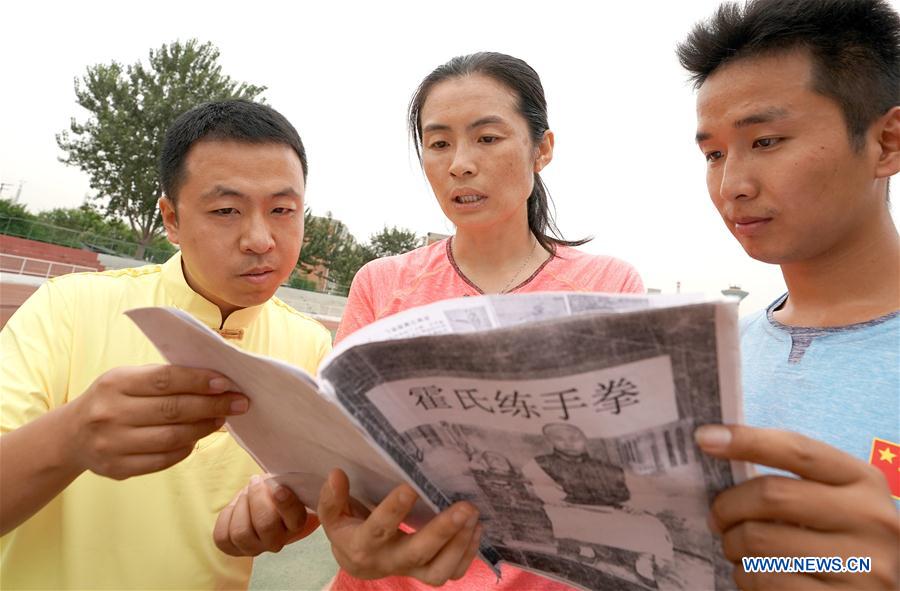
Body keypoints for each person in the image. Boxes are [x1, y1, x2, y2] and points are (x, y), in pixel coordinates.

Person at [325, 52, 643, 591]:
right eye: (439, 143)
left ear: (542, 148)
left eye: (488, 138)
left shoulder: (607, 287)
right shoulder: (380, 284)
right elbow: (336, 453)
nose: (460, 164)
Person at [0, 99, 331, 589]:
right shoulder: (68, 306)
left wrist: (281, 518)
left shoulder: (311, 345)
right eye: (226, 210)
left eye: (282, 210)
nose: (260, 238)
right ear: (171, 219)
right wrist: (69, 438)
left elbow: (312, 504)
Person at [677, 0, 900, 588]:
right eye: (713, 154)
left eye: (767, 141)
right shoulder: (715, 357)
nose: (732, 186)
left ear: (887, 142)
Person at [522, 424, 673, 584]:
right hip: (570, 507)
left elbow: (632, 492)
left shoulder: (605, 468)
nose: (568, 443)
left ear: (585, 439)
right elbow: (540, 489)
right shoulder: (541, 463)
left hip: (608, 509)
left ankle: (644, 559)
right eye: (560, 439)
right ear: (550, 441)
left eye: (574, 438)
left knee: (652, 525)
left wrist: (633, 504)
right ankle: (586, 548)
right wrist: (554, 498)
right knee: (566, 518)